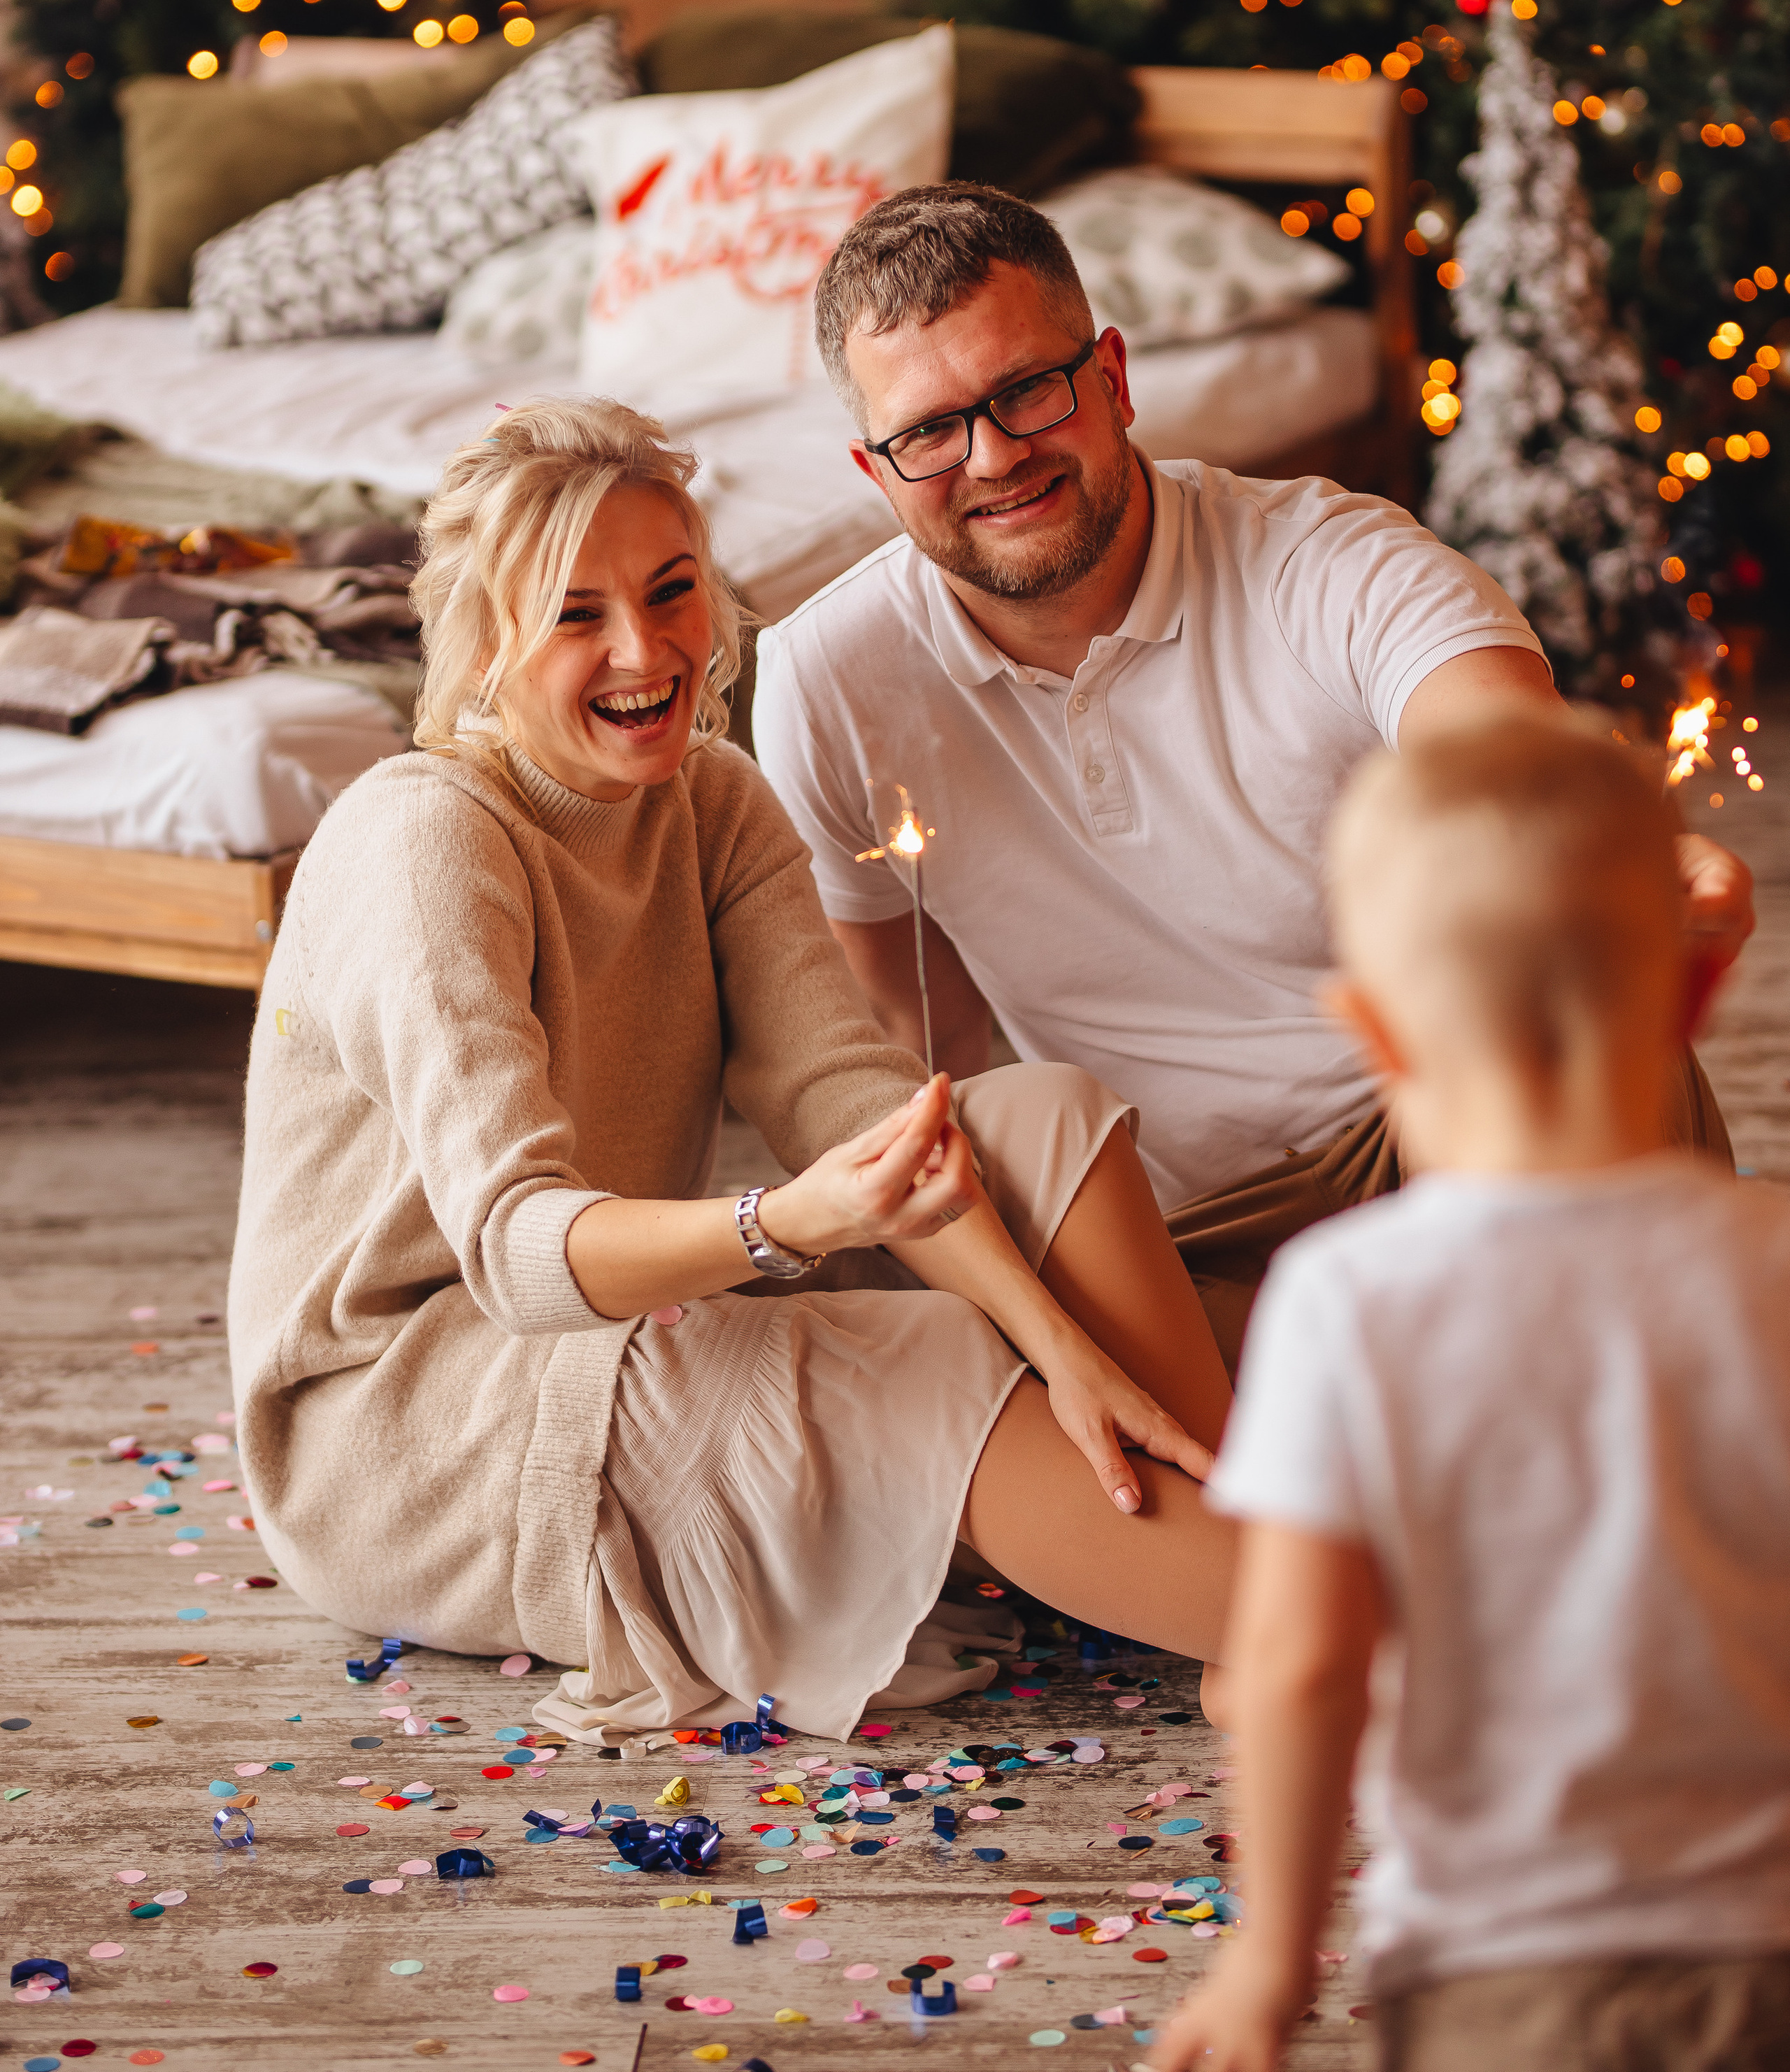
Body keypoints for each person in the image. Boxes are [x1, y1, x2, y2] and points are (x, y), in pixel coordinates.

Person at [227, 395, 1240, 1748]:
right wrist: (787, 1226)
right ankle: (1311, 1627)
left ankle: (1230, 1546)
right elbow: (520, 1256)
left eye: (671, 590)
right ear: (484, 645)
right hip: (412, 1424)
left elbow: (849, 1098)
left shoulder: (710, 799)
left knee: (1034, 1120)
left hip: (625, 1310)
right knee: (931, 1354)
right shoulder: (426, 840)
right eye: (575, 613)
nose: (644, 652)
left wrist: (1062, 1349)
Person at [752, 183, 1751, 1367]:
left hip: (1455, 1114)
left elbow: (1501, 773)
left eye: (1029, 389)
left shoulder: (1333, 564)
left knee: (1583, 1058)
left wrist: (1604, 859)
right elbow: (915, 1040)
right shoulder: (825, 677)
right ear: (876, 469)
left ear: (1113, 379)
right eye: (929, 430)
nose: (995, 455)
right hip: (1179, 1236)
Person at [1149, 713, 1790, 2072]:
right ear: (1692, 1000)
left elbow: (1299, 1662)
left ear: (1373, 1028)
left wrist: (1267, 1964)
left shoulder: (1343, 1299)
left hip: (1500, 1969)